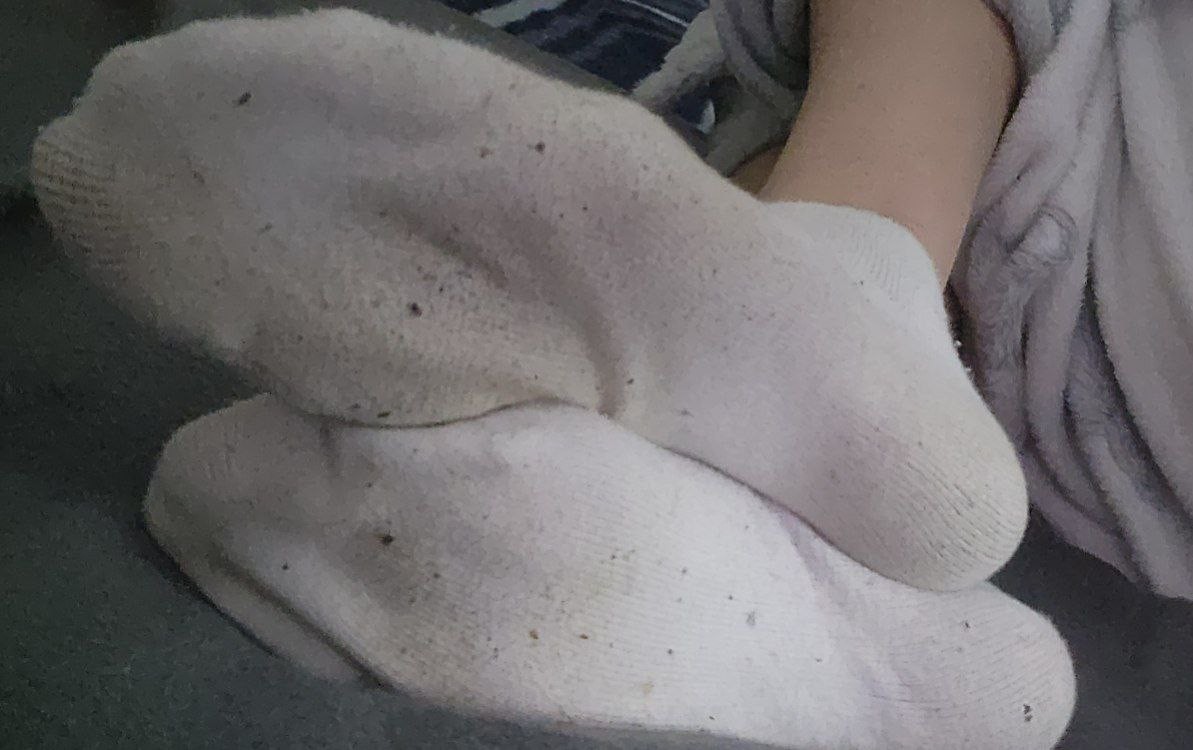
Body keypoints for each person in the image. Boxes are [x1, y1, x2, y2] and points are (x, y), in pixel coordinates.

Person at [29, 1, 1096, 747]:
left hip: (1003, 166)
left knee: (924, 84)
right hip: (1119, 430)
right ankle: (848, 322)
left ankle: (851, 287)